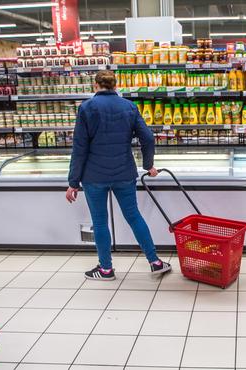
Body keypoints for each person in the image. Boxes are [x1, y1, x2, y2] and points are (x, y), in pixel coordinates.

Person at [66, 70, 171, 280]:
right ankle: (155, 262)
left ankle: (106, 270)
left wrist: (73, 182)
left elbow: (80, 146)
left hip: (94, 176)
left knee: (100, 220)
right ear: (115, 86)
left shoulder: (86, 108)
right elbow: (148, 138)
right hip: (124, 172)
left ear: (96, 86)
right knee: (133, 216)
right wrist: (148, 165)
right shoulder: (129, 106)